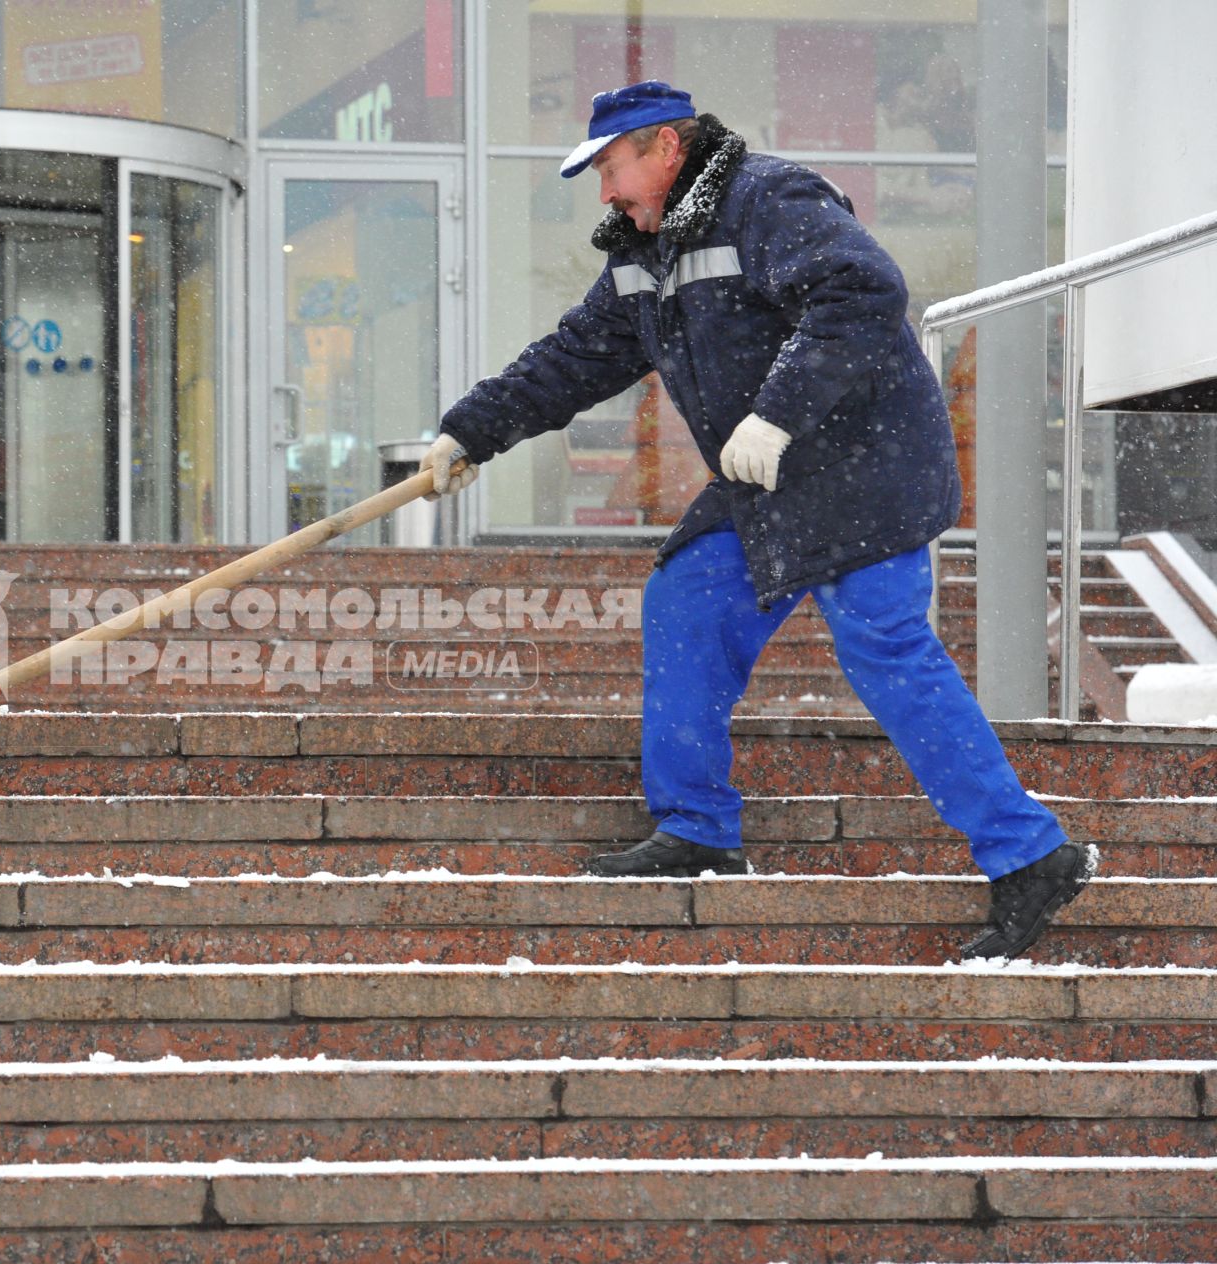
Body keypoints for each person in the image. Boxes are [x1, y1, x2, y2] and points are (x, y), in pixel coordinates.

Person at [419, 81, 1091, 962]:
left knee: (886, 650)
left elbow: (862, 293)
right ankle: (697, 826)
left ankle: (1029, 854)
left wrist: (777, 413)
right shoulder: (643, 253)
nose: (604, 192)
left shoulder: (768, 198)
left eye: (612, 167)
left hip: (864, 465)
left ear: (665, 148)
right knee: (687, 600)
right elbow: (576, 356)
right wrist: (471, 430)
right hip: (765, 482)